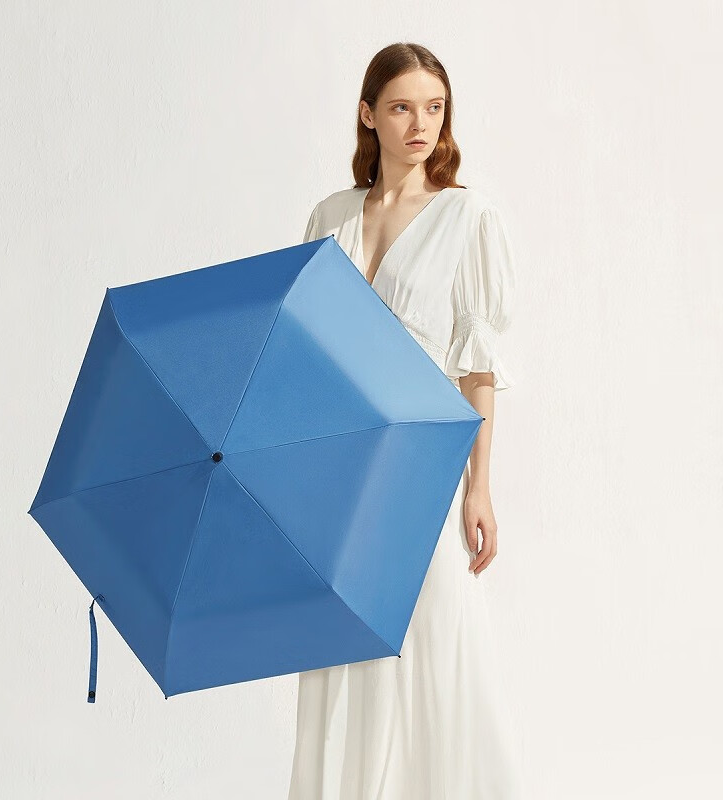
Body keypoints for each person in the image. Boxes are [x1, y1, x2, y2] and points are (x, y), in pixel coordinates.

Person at [286, 43, 524, 799]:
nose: (421, 124)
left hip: (421, 464)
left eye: (434, 108)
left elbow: (476, 370)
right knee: (343, 652)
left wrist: (478, 488)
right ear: (368, 115)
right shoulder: (330, 217)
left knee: (436, 645)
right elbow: (304, 351)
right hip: (339, 468)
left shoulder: (467, 218)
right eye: (401, 107)